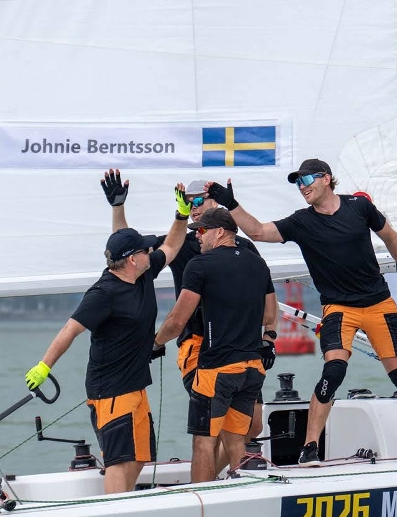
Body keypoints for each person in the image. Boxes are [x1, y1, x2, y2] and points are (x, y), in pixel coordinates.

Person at [207, 158, 397, 465]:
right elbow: (259, 232)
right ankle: (310, 447)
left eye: (306, 180)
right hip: (339, 307)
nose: (301, 187)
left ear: (326, 179)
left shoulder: (359, 207)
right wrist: (232, 204)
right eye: (297, 183)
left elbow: (391, 238)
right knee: (333, 372)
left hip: (378, 304)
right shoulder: (301, 222)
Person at [100, 170, 275, 481]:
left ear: (215, 205)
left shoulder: (246, 250)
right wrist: (118, 207)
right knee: (213, 431)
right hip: (198, 347)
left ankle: (213, 481)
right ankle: (207, 485)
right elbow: (127, 253)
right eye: (186, 202)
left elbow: (267, 302)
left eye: (198, 201)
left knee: (251, 426)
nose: (192, 208)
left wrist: (268, 339)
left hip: (242, 350)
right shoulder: (184, 242)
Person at [23, 196, 186, 493]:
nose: (150, 251)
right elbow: (70, 330)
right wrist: (44, 366)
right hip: (110, 391)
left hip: (136, 386)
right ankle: (116, 510)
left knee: (140, 457)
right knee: (118, 461)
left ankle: (123, 502)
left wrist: (181, 214)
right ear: (132, 259)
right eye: (145, 249)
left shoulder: (144, 273)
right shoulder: (103, 294)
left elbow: (173, 246)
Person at [153, 208, 276, 479]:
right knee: (235, 438)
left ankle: (203, 499)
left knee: (203, 442)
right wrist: (264, 336)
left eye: (201, 230)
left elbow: (177, 320)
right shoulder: (258, 263)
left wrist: (155, 343)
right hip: (252, 369)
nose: (197, 236)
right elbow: (269, 316)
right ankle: (240, 490)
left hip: (216, 370)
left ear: (219, 232)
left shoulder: (200, 264)